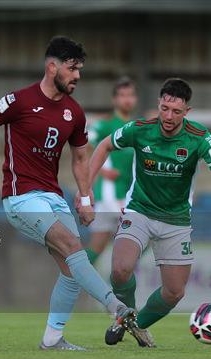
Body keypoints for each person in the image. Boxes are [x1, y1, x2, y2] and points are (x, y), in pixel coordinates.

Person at [0, 36, 136, 351]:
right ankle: (115, 306)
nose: (78, 76)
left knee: (71, 270)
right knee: (74, 246)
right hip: (21, 197)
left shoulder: (74, 112)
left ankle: (52, 339)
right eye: (73, 68)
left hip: (53, 196)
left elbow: (80, 158)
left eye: (80, 69)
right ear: (52, 67)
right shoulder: (18, 101)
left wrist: (86, 197)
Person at [87, 78, 211, 347]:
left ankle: (135, 325)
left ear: (187, 112)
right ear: (159, 105)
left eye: (176, 111)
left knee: (174, 292)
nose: (169, 116)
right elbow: (103, 146)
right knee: (120, 270)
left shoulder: (199, 137)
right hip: (139, 210)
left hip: (176, 220)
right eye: (165, 108)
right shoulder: (140, 129)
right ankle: (124, 316)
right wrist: (86, 188)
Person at [85, 77, 136, 266]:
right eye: (122, 95)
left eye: (130, 95)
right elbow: (84, 145)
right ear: (115, 100)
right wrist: (100, 171)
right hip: (110, 194)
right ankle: (116, 277)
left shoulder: (136, 127)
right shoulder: (105, 124)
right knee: (140, 238)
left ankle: (73, 275)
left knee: (97, 247)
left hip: (125, 193)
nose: (127, 99)